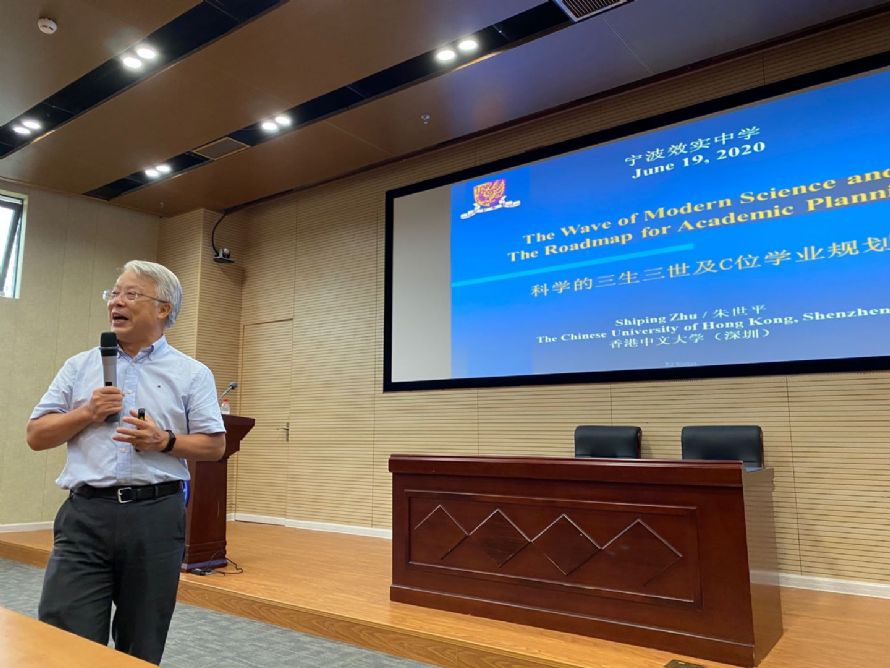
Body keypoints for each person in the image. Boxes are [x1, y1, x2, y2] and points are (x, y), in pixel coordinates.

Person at [26, 260, 226, 665]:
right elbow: (36, 435)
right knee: (64, 640)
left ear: (163, 308)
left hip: (155, 517)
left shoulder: (192, 373)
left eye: (131, 294)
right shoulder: (79, 366)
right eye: (114, 293)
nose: (116, 302)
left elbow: (214, 446)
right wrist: (87, 412)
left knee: (142, 642)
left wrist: (164, 441)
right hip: (85, 515)